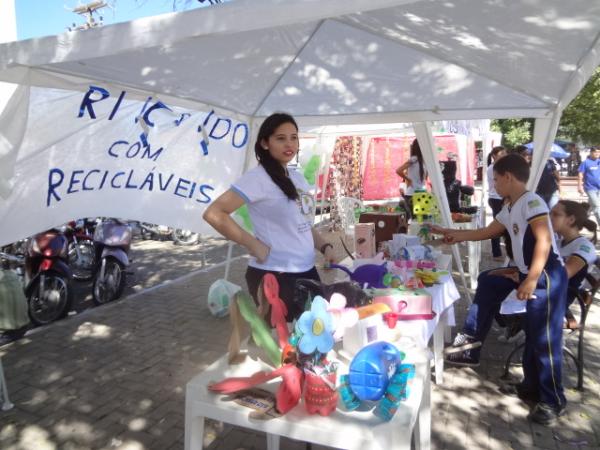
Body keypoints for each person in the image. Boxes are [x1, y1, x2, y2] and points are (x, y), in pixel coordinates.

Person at [431, 153, 568, 426]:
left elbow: (543, 241)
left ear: (508, 176)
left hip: (546, 276)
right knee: (490, 280)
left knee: (544, 340)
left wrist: (530, 278)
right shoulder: (510, 205)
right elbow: (489, 231)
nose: (494, 184)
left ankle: (553, 400)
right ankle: (477, 348)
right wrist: (452, 233)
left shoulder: (532, 201)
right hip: (524, 271)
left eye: (495, 178)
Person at [202, 113, 336, 321]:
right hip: (275, 274)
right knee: (289, 347)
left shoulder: (296, 177)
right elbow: (214, 213)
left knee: (316, 335)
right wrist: (253, 244)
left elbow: (302, 223)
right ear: (265, 143)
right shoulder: (257, 179)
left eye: (294, 137)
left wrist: (325, 247)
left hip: (306, 269)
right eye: (280, 138)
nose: (289, 143)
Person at [396, 139, 426, 220]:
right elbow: (398, 170)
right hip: (413, 194)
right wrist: (408, 179)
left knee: (419, 220)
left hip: (419, 193)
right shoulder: (414, 159)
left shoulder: (422, 160)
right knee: (418, 220)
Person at [487, 146, 507, 259]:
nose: (504, 155)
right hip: (496, 199)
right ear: (494, 156)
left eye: (505, 153)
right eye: (501, 153)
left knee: (502, 225)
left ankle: (498, 252)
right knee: (497, 226)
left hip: (499, 198)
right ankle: (496, 252)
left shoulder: (499, 167)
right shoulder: (493, 168)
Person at [578, 146, 600, 225]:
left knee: (590, 207)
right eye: (596, 152)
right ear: (591, 153)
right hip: (590, 188)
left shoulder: (599, 161)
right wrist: (580, 186)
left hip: (599, 188)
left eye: (599, 152)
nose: (597, 154)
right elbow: (580, 174)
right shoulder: (586, 162)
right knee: (597, 206)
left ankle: (581, 220)